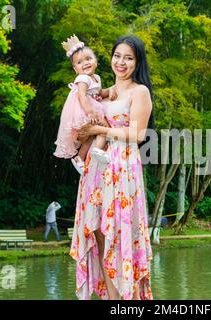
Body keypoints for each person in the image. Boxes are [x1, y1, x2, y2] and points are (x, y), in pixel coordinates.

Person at [69, 35, 154, 300]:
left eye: (128, 57)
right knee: (97, 233)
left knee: (117, 233)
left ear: (137, 62)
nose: (121, 62)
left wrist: (99, 129)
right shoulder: (105, 90)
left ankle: (125, 300)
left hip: (122, 166)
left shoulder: (140, 91)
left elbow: (138, 134)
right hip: (97, 166)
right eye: (117, 55)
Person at [53, 35, 116, 174]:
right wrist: (90, 112)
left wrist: (113, 88)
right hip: (83, 110)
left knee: (92, 134)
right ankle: (97, 151)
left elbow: (100, 93)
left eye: (88, 59)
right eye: (80, 62)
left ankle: (79, 158)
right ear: (75, 69)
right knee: (104, 128)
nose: (85, 63)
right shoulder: (82, 78)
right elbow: (82, 96)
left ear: (96, 62)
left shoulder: (97, 78)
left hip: (93, 107)